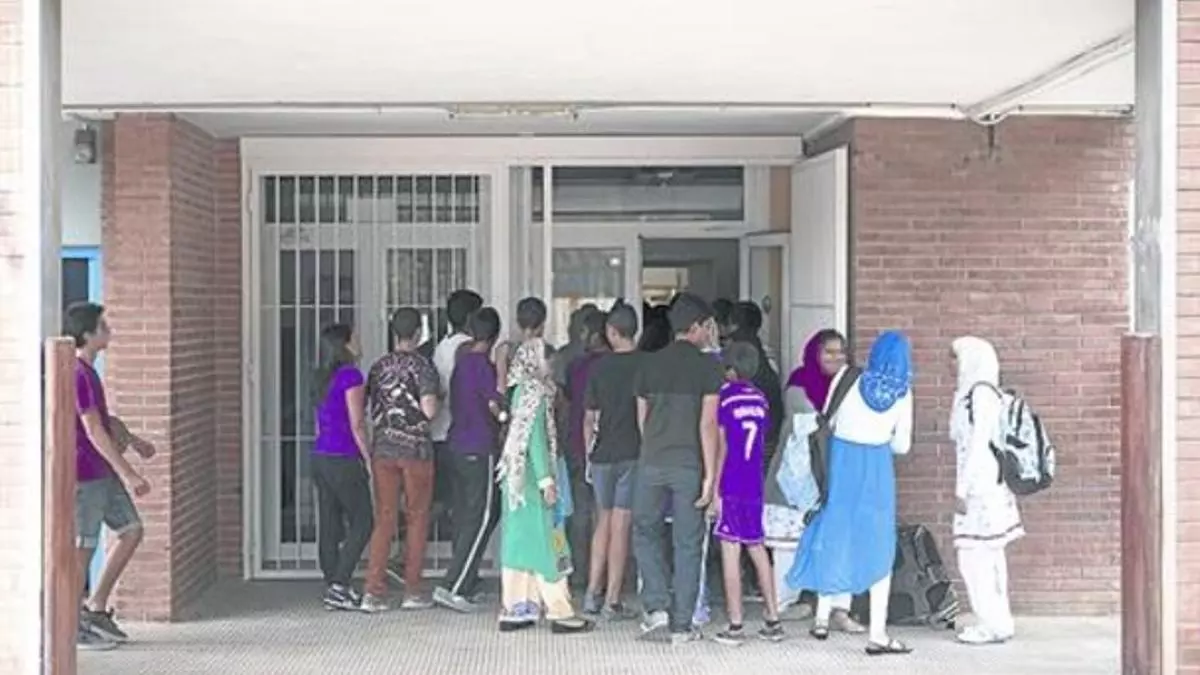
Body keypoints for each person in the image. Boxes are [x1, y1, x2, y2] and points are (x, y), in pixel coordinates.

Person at [786, 330, 914, 656]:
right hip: (877, 472)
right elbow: (902, 445)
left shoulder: (847, 377)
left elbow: (829, 421)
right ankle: (878, 634)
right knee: (878, 546)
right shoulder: (902, 392)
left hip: (842, 466)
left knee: (834, 535)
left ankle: (821, 618)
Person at [631, 292, 723, 645]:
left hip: (651, 461)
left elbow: (642, 419)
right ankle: (682, 625)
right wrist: (710, 476)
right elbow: (708, 424)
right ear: (696, 327)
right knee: (687, 543)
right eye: (707, 327)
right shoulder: (708, 367)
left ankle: (656, 609)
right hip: (688, 466)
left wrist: (653, 447)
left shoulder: (648, 364)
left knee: (646, 533)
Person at [66, 303, 153, 650]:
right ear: (87, 334)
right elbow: (93, 430)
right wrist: (129, 473)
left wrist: (133, 440)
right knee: (83, 550)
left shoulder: (90, 371)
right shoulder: (77, 373)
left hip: (103, 472)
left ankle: (96, 607)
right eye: (103, 326)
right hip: (86, 474)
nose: (109, 331)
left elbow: (105, 420)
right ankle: (72, 624)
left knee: (131, 530)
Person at [496, 338, 594, 634]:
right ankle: (560, 610)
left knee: (518, 544)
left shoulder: (518, 391)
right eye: (549, 361)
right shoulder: (536, 392)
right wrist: (546, 481)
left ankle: (517, 608)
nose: (552, 367)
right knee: (551, 542)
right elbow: (536, 440)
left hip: (515, 481)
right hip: (533, 481)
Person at [768, 330, 862, 629]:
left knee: (837, 541)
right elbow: (816, 424)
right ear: (814, 354)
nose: (836, 357)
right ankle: (783, 604)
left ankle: (837, 609)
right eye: (828, 352)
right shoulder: (800, 383)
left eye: (841, 352)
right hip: (798, 477)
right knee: (789, 544)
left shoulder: (850, 387)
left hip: (836, 473)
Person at [362, 308, 441, 612]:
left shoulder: (378, 366)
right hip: (415, 451)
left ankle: (373, 591)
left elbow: (371, 407)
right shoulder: (423, 366)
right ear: (418, 334)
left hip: (383, 450)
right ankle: (412, 591)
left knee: (384, 518)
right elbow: (429, 410)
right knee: (417, 518)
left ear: (394, 333)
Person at [950, 336, 1023, 645]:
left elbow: (978, 444)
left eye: (956, 357)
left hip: (980, 487)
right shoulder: (979, 392)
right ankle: (998, 621)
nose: (952, 364)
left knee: (974, 557)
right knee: (988, 557)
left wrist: (962, 489)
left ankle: (991, 622)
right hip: (988, 484)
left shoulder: (979, 394)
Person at [711, 342, 785, 646]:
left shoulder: (725, 397)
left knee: (730, 549)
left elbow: (722, 446)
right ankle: (773, 618)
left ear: (729, 369)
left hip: (731, 481)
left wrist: (714, 487)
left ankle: (735, 623)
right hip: (754, 481)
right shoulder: (760, 399)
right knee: (756, 546)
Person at [434, 307, 505, 613]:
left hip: (456, 446)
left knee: (469, 516)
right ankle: (454, 585)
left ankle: (464, 580)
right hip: (479, 447)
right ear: (494, 335)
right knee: (483, 516)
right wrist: (506, 415)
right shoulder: (483, 367)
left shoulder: (461, 364)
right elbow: (494, 405)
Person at [581, 303, 641, 619]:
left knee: (602, 522)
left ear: (611, 332)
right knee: (621, 524)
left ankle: (592, 592)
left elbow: (589, 418)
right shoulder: (646, 365)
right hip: (633, 453)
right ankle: (612, 600)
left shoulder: (599, 368)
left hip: (602, 455)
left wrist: (588, 454)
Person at [311, 323, 375, 612]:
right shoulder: (351, 376)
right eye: (355, 338)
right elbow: (357, 423)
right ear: (345, 345)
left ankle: (333, 584)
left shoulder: (320, 377)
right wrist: (368, 458)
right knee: (363, 521)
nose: (359, 342)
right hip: (344, 455)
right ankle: (340, 584)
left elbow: (319, 420)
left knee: (329, 521)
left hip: (321, 454)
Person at [429, 290, 485, 576]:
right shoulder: (467, 348)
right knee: (469, 510)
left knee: (455, 506)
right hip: (461, 434)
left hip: (440, 434)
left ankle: (459, 568)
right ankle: (463, 572)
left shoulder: (442, 346)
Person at [563, 308, 609, 587]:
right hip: (612, 449)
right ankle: (603, 577)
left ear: (595, 335)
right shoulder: (616, 366)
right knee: (606, 515)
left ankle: (579, 573)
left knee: (580, 513)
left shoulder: (577, 367)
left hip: (579, 446)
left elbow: (570, 402)